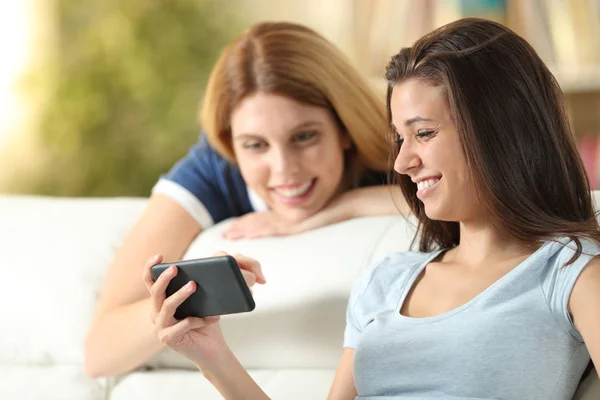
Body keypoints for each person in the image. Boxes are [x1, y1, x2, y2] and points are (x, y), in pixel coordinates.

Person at [142, 17, 600, 399]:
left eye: (423, 133)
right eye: (400, 138)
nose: (402, 161)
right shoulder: (388, 280)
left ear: (502, 130)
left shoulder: (571, 270)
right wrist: (211, 355)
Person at [84, 21, 407, 378]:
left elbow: (477, 193)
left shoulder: (400, 136)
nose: (284, 170)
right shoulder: (210, 170)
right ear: (230, 144)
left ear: (344, 128)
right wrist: (187, 299)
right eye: (255, 145)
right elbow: (100, 353)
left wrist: (346, 206)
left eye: (304, 137)